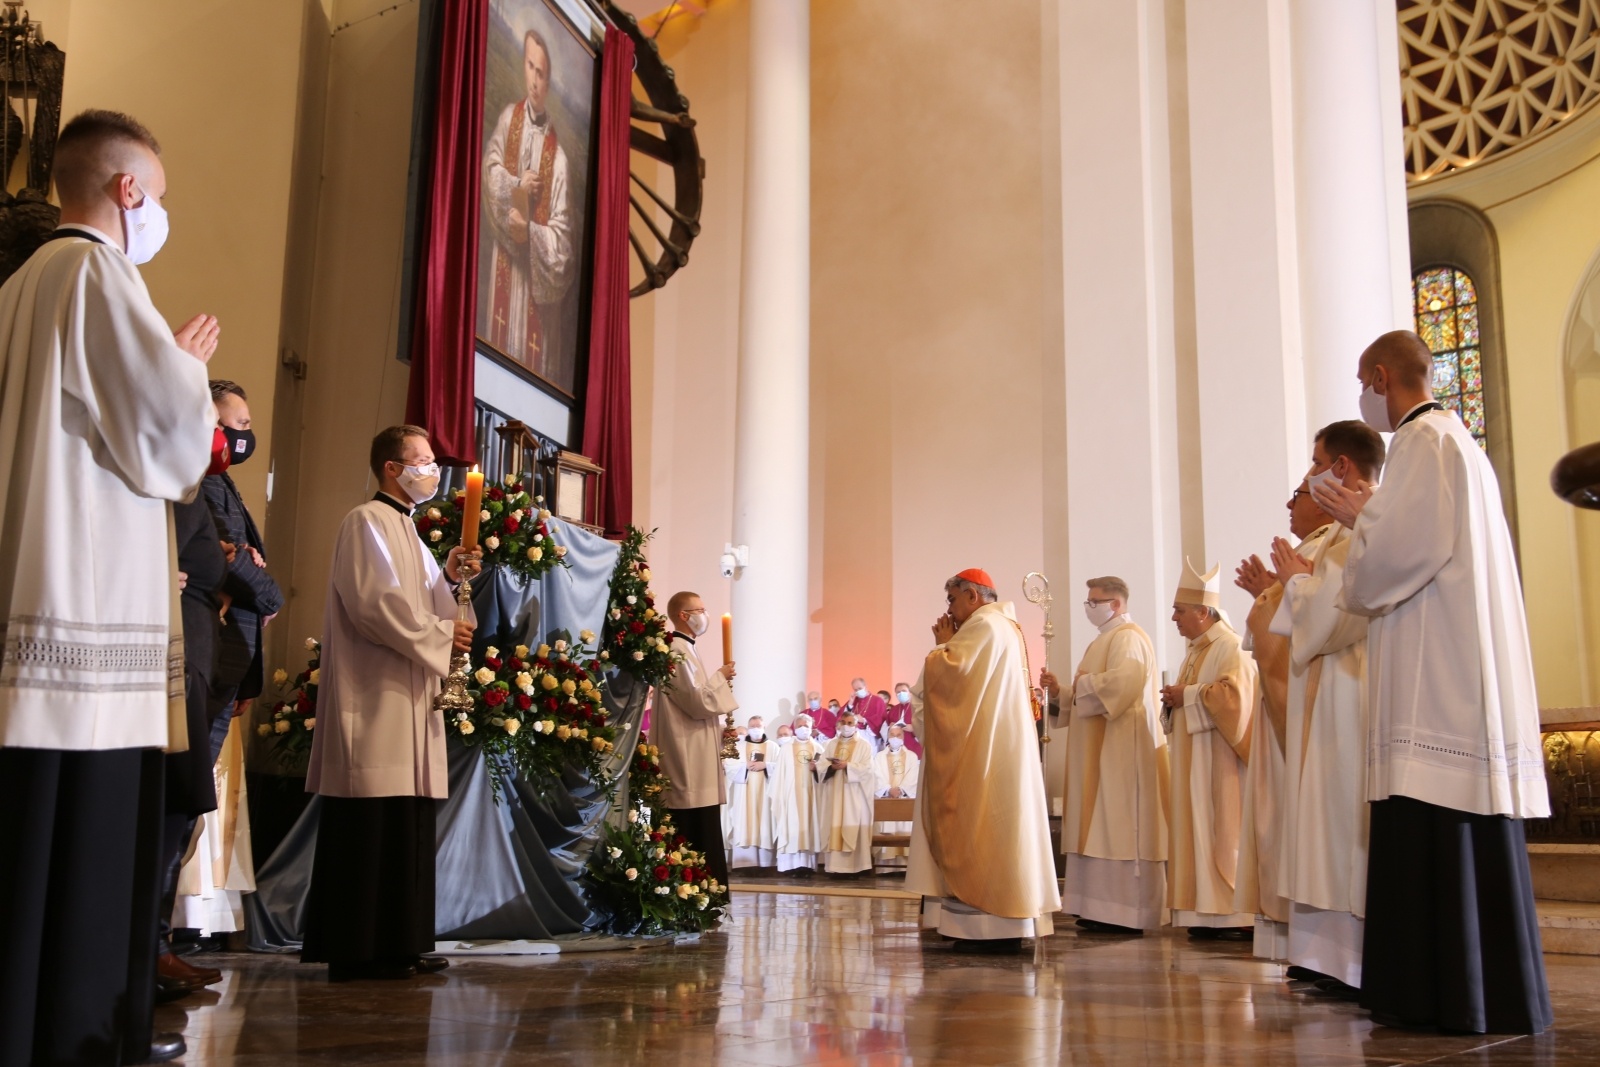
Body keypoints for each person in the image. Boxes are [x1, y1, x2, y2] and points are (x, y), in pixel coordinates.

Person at [0, 108, 218, 1066]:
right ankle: (82, 1037)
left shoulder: (17, 286)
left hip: (29, 596)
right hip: (87, 618)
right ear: (127, 188)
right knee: (86, 843)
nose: (159, 212)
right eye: (158, 195)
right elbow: (169, 445)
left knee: (27, 847)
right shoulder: (97, 271)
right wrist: (185, 367)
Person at [1316, 330, 1551, 1034]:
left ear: (1383, 378)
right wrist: (1373, 520)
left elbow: (1396, 556)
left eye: (1365, 381)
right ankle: (1490, 991)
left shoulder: (1423, 442)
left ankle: (1431, 996)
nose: (1366, 396)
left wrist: (1359, 517)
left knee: (1431, 825)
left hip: (1436, 679)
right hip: (1462, 668)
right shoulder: (1466, 446)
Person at [301, 426, 479, 982]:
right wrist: (440, 634)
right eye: (421, 460)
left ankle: (398, 941)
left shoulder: (410, 532)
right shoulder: (365, 522)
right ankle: (357, 947)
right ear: (390, 468)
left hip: (408, 696)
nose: (432, 470)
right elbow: (375, 606)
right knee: (371, 818)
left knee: (404, 820)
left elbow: (428, 602)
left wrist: (450, 579)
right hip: (374, 695)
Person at [1263, 419, 1386, 997]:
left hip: (1350, 693)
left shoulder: (1368, 525)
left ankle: (1351, 960)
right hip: (1328, 691)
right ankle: (1325, 956)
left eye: (1315, 464)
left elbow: (1339, 616)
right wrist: (1290, 584)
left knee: (1340, 827)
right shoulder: (1339, 533)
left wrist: (1295, 584)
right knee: (1322, 826)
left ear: (1341, 467)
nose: (1309, 476)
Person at [908, 569, 1060, 953]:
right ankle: (993, 923)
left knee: (980, 827)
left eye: (953, 600)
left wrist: (941, 647)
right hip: (996, 748)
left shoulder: (983, 627)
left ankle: (987, 927)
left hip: (984, 755)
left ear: (973, 597)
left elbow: (951, 676)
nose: (950, 610)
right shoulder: (1004, 627)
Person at [1232, 481, 1336, 961]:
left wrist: (1275, 593)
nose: (1290, 504)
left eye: (1300, 493)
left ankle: (1317, 945)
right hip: (1286, 703)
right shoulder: (1308, 550)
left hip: (1310, 701)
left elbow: (1321, 618)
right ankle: (1295, 937)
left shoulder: (1335, 541)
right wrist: (1267, 593)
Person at [1042, 576, 1168, 937]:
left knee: (1117, 829)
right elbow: (1089, 692)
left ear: (1115, 604)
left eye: (1094, 601)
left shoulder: (1128, 638)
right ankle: (1096, 907)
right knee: (1097, 828)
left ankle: (1125, 912)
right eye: (1087, 601)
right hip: (1098, 751)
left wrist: (1078, 687)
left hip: (1120, 753)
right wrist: (1060, 692)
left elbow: (1122, 684)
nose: (1088, 607)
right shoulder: (1105, 640)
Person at [1159, 560, 1259, 942]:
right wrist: (1175, 700)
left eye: (1179, 611)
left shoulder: (1230, 646)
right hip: (1192, 759)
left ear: (1203, 612)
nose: (1174, 618)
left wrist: (1190, 695)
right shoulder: (1195, 651)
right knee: (1195, 829)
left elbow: (1237, 698)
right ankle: (1203, 913)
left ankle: (1233, 916)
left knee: (1221, 832)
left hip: (1221, 762)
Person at [481, 28, 576, 382]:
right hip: (505, 267)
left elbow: (564, 248)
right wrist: (518, 184)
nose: (534, 80)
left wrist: (531, 233)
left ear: (549, 83)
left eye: (542, 73)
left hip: (534, 290)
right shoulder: (508, 119)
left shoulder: (560, 160)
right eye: (530, 67)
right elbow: (489, 170)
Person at [204, 380, 283, 741]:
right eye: (243, 424)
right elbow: (230, 561)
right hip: (213, 652)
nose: (247, 435)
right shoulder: (202, 479)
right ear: (214, 425)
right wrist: (273, 599)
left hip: (231, 658)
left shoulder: (222, 479)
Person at [656, 590, 738, 885]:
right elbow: (696, 702)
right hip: (685, 752)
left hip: (696, 747)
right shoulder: (677, 649)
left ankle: (707, 890)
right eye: (699, 609)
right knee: (692, 825)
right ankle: (698, 889)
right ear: (683, 615)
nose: (704, 615)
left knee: (703, 821)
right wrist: (720, 676)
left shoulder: (687, 649)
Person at [818, 710, 877, 875]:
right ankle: (834, 868)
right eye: (843, 723)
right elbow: (821, 765)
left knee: (852, 826)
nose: (846, 726)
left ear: (856, 725)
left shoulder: (864, 745)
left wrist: (848, 766)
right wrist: (831, 767)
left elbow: (868, 770)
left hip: (853, 795)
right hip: (834, 794)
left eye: (850, 723)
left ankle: (854, 869)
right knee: (833, 825)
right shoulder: (830, 744)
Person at [770, 712, 824, 874]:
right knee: (791, 825)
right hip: (790, 795)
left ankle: (807, 865)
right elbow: (779, 775)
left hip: (812, 795)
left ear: (811, 728)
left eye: (806, 726)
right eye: (799, 726)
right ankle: (790, 866)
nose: (803, 729)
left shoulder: (818, 748)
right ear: (795, 728)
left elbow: (825, 775)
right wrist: (780, 795)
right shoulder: (786, 748)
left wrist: (818, 769)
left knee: (809, 824)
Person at [722, 715, 776, 869]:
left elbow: (782, 766)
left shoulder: (773, 747)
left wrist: (766, 765)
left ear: (764, 727)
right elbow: (729, 766)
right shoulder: (739, 747)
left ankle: (766, 864)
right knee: (744, 822)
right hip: (743, 793)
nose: (755, 729)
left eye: (758, 726)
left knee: (764, 822)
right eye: (752, 726)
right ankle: (744, 864)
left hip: (766, 794)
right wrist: (744, 766)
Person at [871, 723, 920, 865]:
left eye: (898, 735)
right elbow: (876, 775)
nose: (895, 738)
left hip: (904, 799)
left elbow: (914, 775)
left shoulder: (911, 756)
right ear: (887, 737)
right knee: (887, 829)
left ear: (903, 737)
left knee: (904, 830)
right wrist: (888, 790)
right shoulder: (879, 757)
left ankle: (905, 864)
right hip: (886, 799)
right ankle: (886, 867)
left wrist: (902, 790)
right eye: (892, 735)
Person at [843, 679, 887, 752]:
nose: (858, 691)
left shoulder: (877, 700)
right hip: (855, 736)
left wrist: (864, 720)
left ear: (866, 686)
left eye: (860, 688)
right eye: (855, 690)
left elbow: (881, 718)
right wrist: (850, 703)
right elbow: (843, 716)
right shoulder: (854, 700)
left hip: (870, 738)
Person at [883, 682, 923, 756]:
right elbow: (884, 730)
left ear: (910, 692)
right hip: (896, 748)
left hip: (914, 747)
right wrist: (890, 728)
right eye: (898, 692)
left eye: (904, 691)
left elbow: (927, 727)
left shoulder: (918, 708)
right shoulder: (893, 710)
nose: (901, 693)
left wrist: (914, 729)